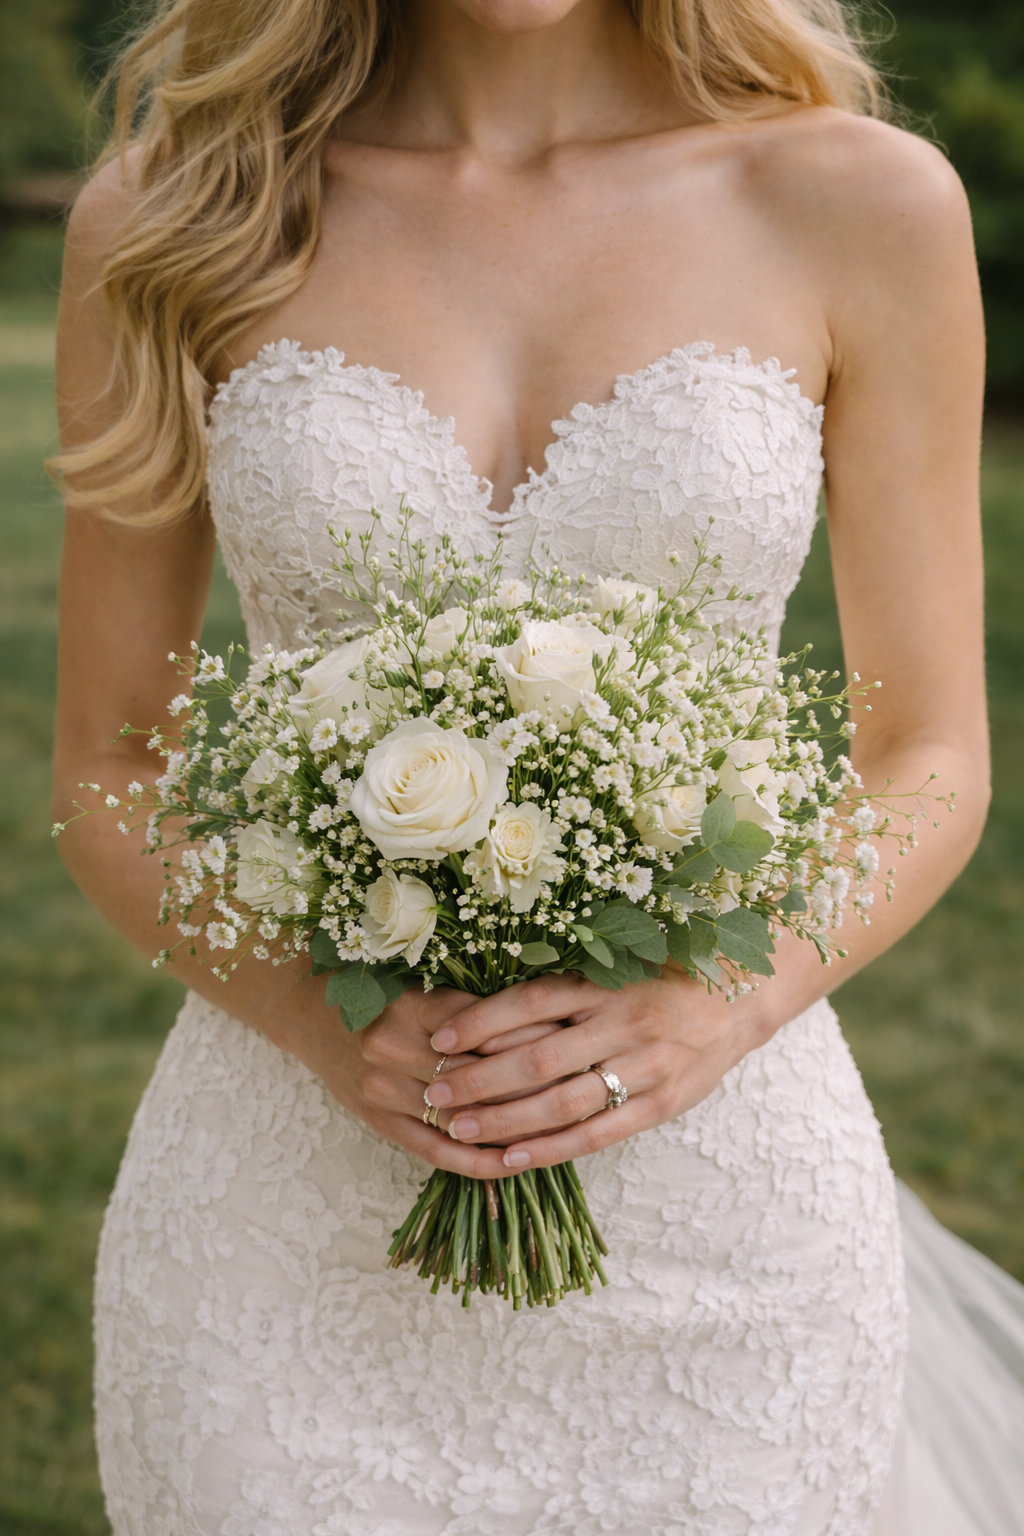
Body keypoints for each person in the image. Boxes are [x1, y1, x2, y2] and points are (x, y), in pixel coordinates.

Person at [50, 0, 1024, 1531]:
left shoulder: (860, 200)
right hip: (283, 1223)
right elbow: (111, 763)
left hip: (718, 1208)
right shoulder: (182, 210)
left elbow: (931, 754)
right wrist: (322, 1024)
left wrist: (723, 1006)